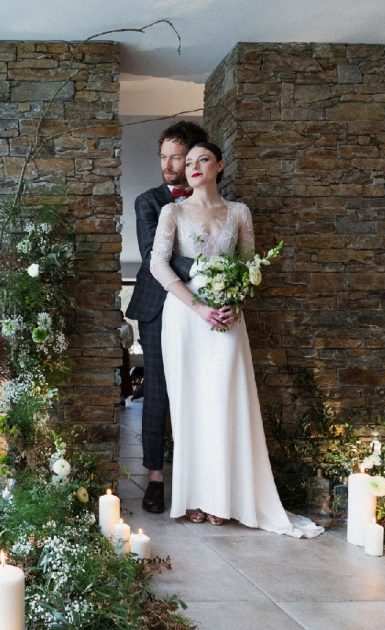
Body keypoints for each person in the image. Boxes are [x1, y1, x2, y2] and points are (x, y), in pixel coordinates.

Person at [149, 141, 321, 538]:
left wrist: (235, 302)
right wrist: (197, 306)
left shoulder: (239, 212)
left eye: (201, 160)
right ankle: (193, 497)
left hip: (228, 316)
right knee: (190, 404)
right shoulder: (172, 212)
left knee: (225, 402)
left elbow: (249, 265)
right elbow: (157, 263)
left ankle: (224, 499)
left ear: (219, 165)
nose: (192, 166)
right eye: (187, 162)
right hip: (187, 316)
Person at [126, 120, 209, 514]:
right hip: (157, 306)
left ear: (193, 157)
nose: (168, 164)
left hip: (204, 307)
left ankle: (201, 478)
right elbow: (150, 255)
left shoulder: (215, 202)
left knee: (199, 388)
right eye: (164, 156)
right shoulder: (147, 201)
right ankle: (155, 479)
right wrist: (206, 268)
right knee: (156, 390)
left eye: (176, 157)